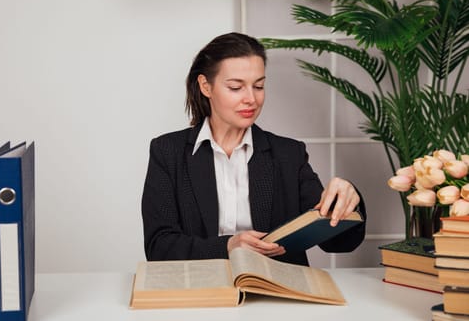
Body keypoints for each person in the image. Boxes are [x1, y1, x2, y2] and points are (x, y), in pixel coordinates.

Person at [141, 32, 366, 265]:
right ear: (206, 87)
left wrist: (350, 201)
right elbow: (160, 246)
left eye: (258, 86)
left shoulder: (289, 154)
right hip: (203, 291)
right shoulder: (168, 152)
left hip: (276, 292)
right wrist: (228, 246)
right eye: (236, 87)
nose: (251, 99)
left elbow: (337, 242)